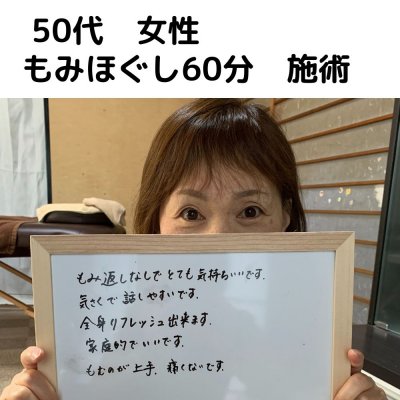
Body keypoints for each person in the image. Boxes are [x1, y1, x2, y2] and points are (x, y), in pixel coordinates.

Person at [1, 99, 387, 400]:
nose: (220, 239)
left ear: (286, 214)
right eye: (191, 213)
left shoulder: (308, 331)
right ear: (156, 219)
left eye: (250, 211)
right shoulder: (111, 317)